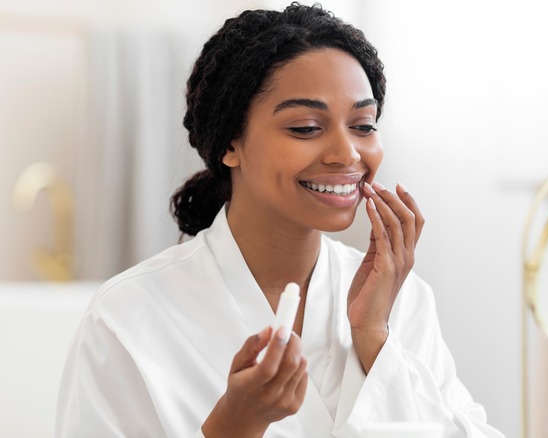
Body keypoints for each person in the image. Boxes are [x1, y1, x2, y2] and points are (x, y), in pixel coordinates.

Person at [56, 3, 504, 437]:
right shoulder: (128, 318)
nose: (347, 154)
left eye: (363, 125)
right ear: (230, 143)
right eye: (306, 128)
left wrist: (374, 340)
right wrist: (233, 427)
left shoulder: (400, 301)